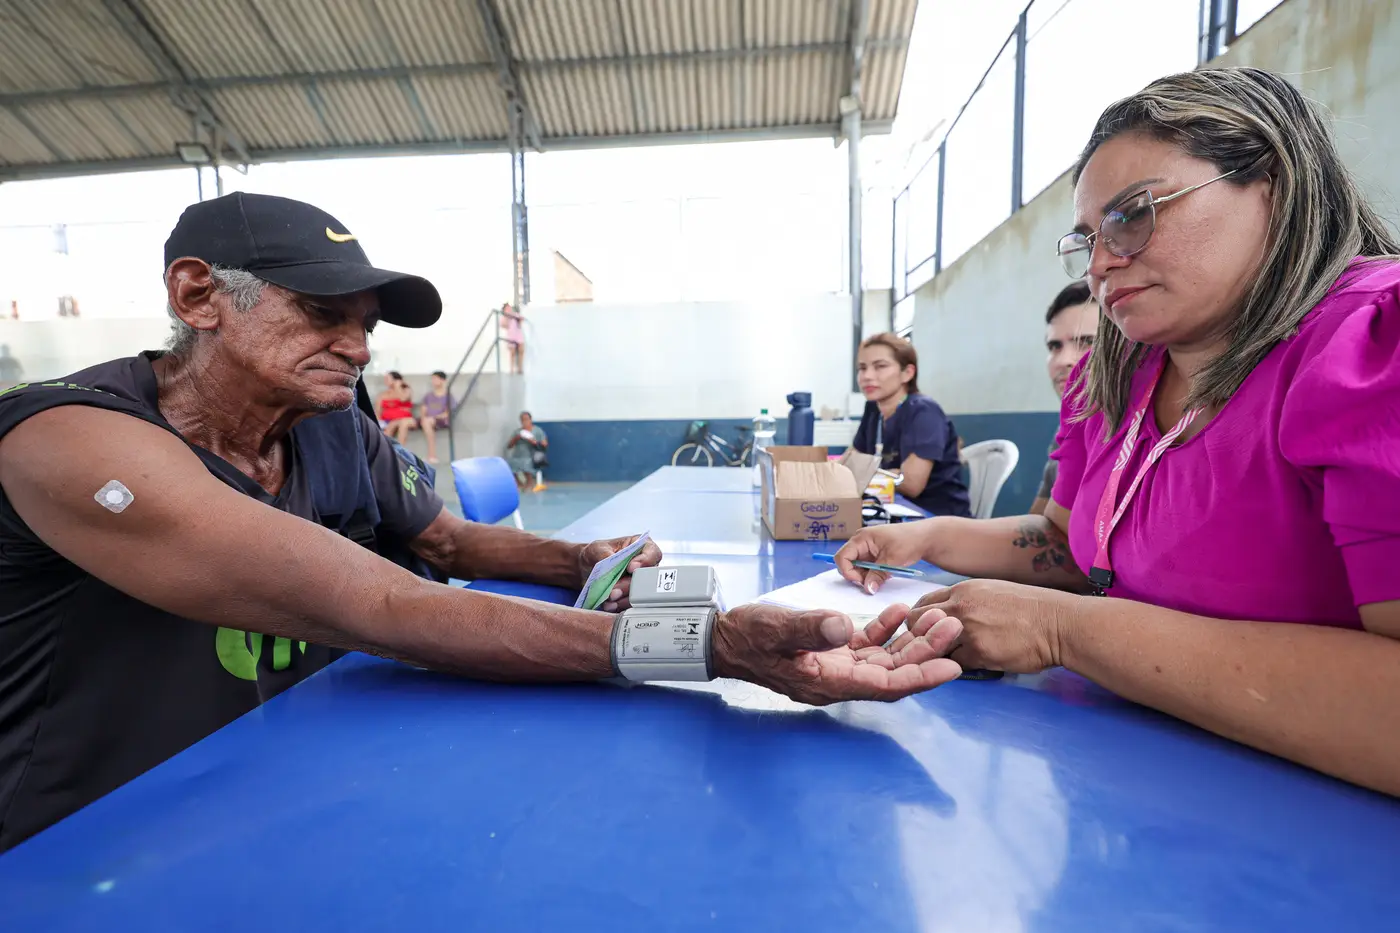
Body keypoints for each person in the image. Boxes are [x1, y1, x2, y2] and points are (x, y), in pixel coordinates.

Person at [0, 192, 963, 851]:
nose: (358, 345)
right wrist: (711, 643)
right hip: (89, 842)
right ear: (197, 294)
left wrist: (578, 558)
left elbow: (446, 541)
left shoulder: (330, 422)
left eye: (367, 322)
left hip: (291, 788)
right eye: (323, 311)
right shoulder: (68, 438)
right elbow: (384, 602)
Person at [834, 67, 1400, 796]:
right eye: (1088, 238)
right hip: (1126, 786)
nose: (1101, 264)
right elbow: (1069, 547)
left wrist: (1062, 630)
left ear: (1272, 184)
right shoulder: (1117, 376)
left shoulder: (1372, 346)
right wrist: (928, 538)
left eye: (1133, 215)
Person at [849, 333, 971, 517]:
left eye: (880, 366)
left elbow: (911, 484)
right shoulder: (873, 410)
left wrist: (866, 474)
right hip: (890, 511)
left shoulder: (924, 412)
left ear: (907, 373)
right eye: (862, 368)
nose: (867, 376)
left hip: (936, 517)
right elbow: (850, 463)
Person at [1030, 282, 1100, 514]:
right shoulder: (1069, 426)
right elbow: (1040, 518)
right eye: (1054, 346)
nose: (1063, 361)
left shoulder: (1142, 439)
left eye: (1087, 342)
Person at [506, 410, 548, 492]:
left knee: (526, 463)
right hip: (517, 456)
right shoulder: (518, 432)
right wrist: (516, 438)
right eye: (522, 420)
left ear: (530, 420)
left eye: (526, 419)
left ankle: (529, 483)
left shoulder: (537, 430)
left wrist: (534, 442)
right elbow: (509, 446)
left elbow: (545, 444)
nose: (525, 421)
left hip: (531, 455)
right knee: (509, 465)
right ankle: (519, 483)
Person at [419, 369, 452, 465]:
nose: (433, 381)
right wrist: (423, 418)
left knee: (427, 422)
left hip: (441, 420)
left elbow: (447, 413)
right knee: (404, 422)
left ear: (442, 380)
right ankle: (399, 454)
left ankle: (432, 456)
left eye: (435, 379)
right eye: (432, 379)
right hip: (427, 420)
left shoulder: (448, 396)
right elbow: (423, 410)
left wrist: (434, 417)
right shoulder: (428, 396)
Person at [378, 370, 415, 444]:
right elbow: (378, 411)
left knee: (396, 424)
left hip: (404, 419)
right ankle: (385, 449)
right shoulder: (383, 394)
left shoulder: (406, 390)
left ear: (396, 380)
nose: (385, 381)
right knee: (389, 427)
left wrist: (398, 387)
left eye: (387, 379)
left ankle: (400, 449)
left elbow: (403, 399)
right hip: (386, 421)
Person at [500, 302, 525, 374]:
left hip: (518, 334)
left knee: (521, 350)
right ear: (504, 310)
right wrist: (507, 317)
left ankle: (520, 369)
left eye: (509, 307)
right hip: (511, 335)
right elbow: (503, 325)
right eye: (507, 308)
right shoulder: (504, 317)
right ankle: (511, 369)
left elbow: (521, 321)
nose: (509, 308)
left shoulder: (515, 314)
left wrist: (520, 320)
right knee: (512, 353)